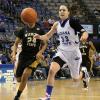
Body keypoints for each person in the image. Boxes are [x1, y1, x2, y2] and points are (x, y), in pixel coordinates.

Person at [34, 5, 89, 100]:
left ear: (68, 12)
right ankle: (47, 97)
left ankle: (84, 74)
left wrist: (84, 36)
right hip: (62, 52)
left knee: (75, 79)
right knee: (52, 70)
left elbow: (85, 32)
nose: (62, 12)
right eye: (60, 10)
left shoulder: (72, 22)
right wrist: (39, 37)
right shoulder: (56, 24)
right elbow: (47, 36)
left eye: (64, 10)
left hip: (74, 53)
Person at [11, 13, 47, 100]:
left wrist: (40, 52)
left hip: (34, 57)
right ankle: (19, 87)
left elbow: (44, 44)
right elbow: (16, 44)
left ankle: (17, 96)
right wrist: (13, 53)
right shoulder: (22, 30)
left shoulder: (40, 30)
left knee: (25, 75)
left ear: (34, 18)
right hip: (23, 56)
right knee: (18, 78)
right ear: (25, 20)